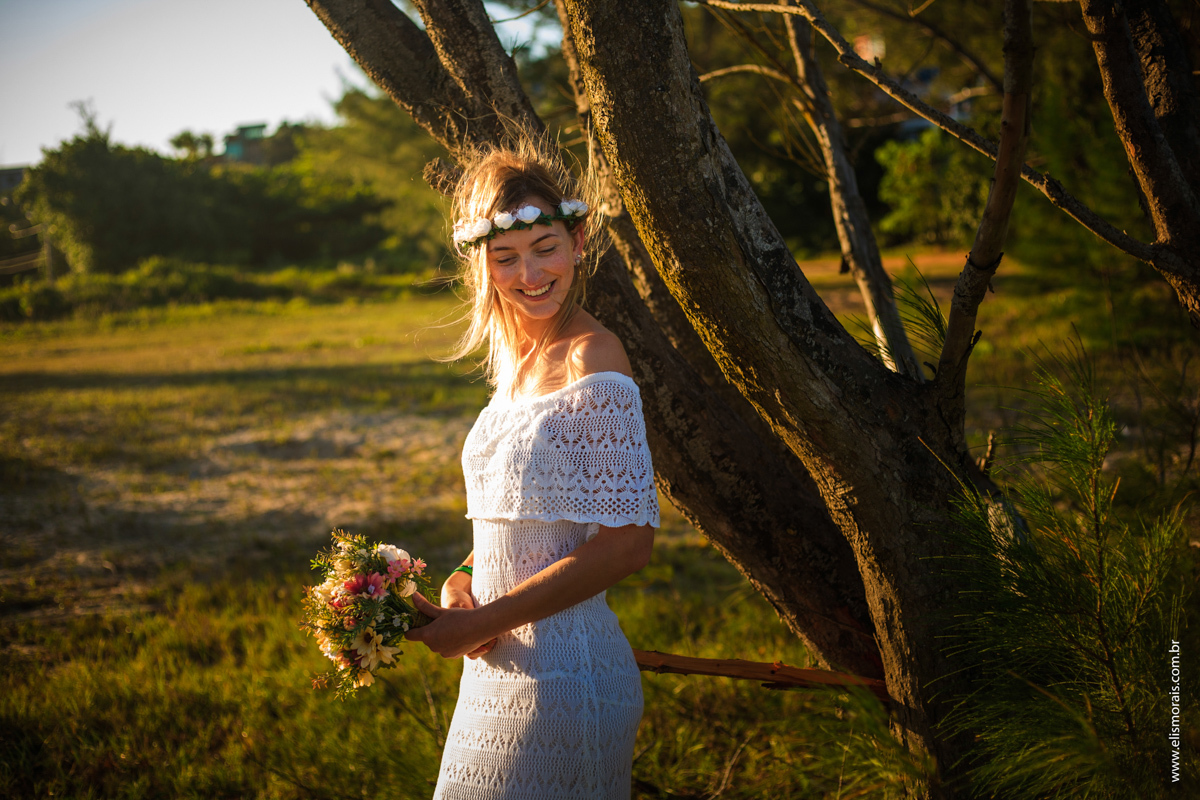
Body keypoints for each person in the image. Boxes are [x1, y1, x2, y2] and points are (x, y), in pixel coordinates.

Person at [405, 141, 660, 800]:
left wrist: (483, 624)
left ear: (578, 240)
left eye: (545, 247)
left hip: (566, 679)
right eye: (506, 258)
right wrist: (464, 583)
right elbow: (523, 518)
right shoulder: (515, 362)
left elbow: (627, 541)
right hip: (496, 673)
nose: (530, 274)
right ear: (483, 265)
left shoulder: (594, 360)